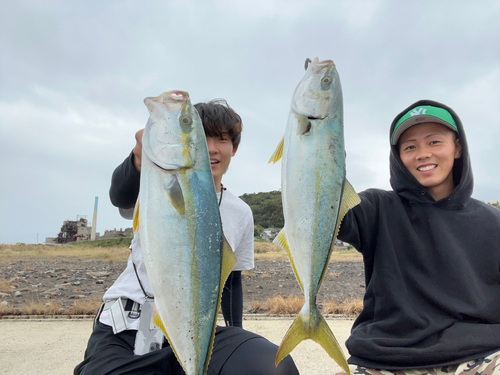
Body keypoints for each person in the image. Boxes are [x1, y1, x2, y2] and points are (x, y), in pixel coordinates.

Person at [74, 99, 299, 375]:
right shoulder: (160, 181)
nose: (213, 148)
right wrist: (138, 157)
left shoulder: (240, 212)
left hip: (194, 329)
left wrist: (235, 338)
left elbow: (232, 282)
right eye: (203, 137)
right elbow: (119, 195)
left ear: (235, 148)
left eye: (223, 139)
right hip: (126, 325)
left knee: (273, 368)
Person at [336, 99, 500, 375]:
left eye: (434, 142)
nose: (423, 153)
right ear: (398, 157)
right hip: (387, 357)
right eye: (410, 147)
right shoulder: (377, 207)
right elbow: (325, 210)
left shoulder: (493, 222)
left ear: (457, 148)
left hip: (479, 353)